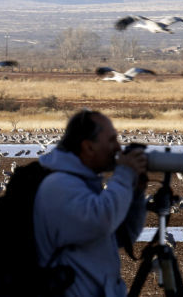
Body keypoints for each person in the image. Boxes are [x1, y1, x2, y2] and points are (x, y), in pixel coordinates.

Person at [33, 109, 148, 296]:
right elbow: (102, 222)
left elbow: (121, 236)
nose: (118, 148)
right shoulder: (59, 185)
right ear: (88, 147)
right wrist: (124, 175)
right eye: (111, 141)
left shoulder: (83, 183)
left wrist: (135, 194)